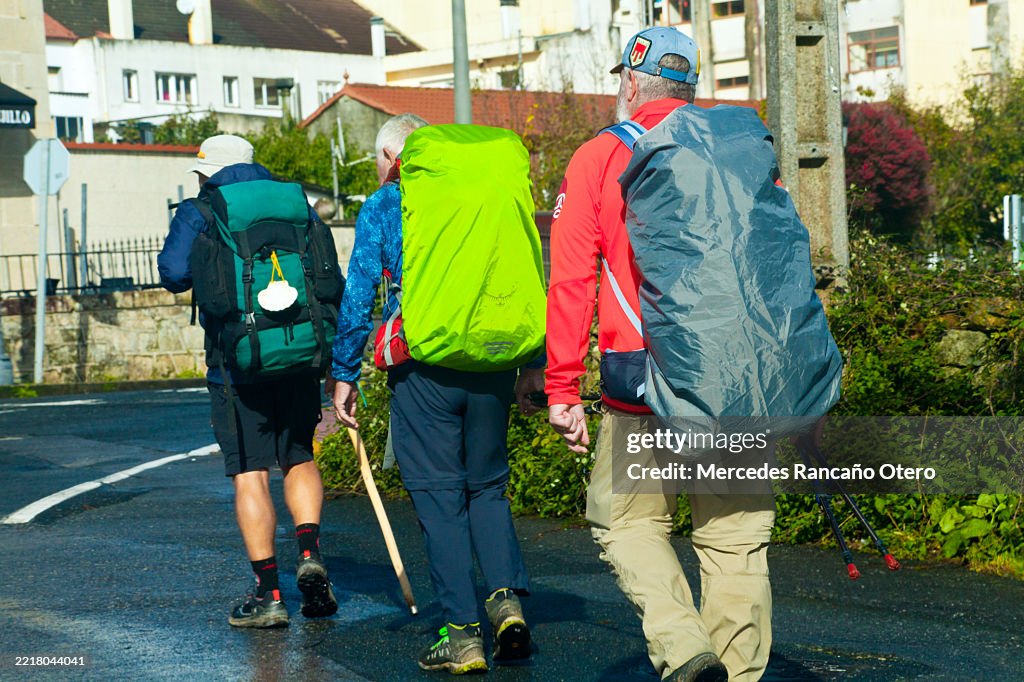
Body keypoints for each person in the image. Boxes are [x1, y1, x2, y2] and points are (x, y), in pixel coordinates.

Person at [544, 28, 776, 682]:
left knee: (626, 524)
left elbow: (569, 282)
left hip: (644, 387)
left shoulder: (600, 157)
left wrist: (563, 389)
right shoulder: (742, 149)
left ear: (628, 83)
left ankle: (683, 648)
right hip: (737, 381)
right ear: (692, 86)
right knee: (734, 545)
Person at [328, 113, 544, 674]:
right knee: (489, 488)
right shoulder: (484, 196)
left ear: (394, 157)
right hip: (493, 360)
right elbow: (523, 274)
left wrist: (343, 372)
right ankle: (506, 605)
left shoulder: (387, 204)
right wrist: (533, 365)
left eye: (380, 160)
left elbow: (358, 295)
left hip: (424, 366)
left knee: (441, 498)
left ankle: (462, 634)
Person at [158, 134, 338, 629]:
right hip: (300, 352)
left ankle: (270, 594)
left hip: (235, 365)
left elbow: (172, 272)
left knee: (251, 471)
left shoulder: (203, 206)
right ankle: (309, 553)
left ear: (208, 171)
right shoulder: (294, 201)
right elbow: (326, 272)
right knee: (299, 454)